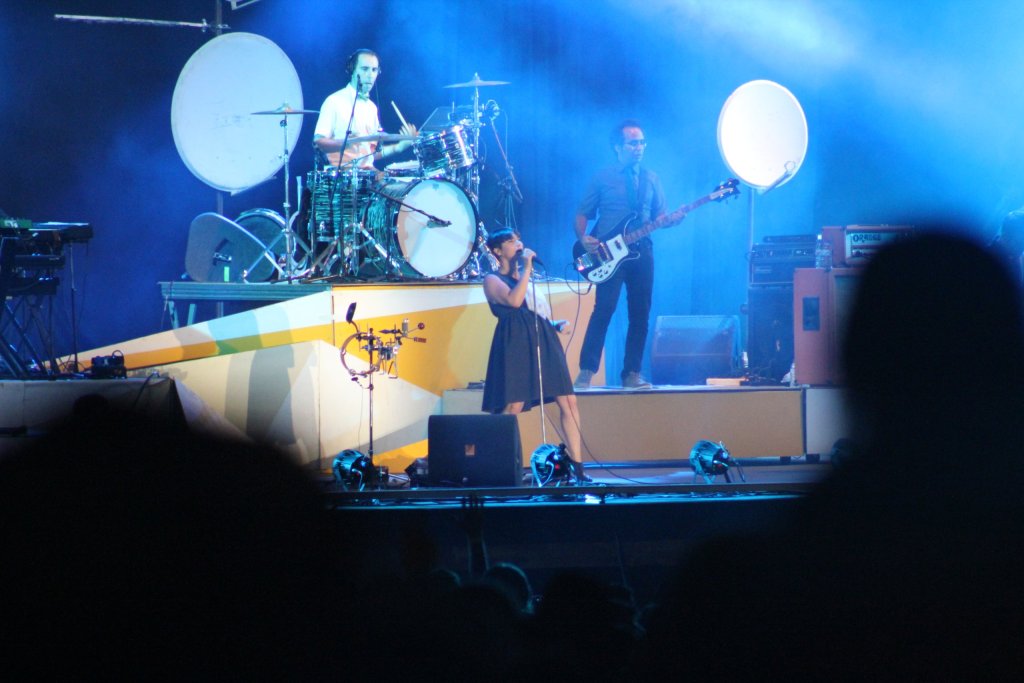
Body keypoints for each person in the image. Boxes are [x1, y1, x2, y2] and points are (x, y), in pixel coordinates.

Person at [480, 229, 586, 481]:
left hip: (543, 339)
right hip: (515, 343)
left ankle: (578, 468)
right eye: (511, 241)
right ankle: (495, 465)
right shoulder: (492, 280)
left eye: (519, 240)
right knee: (513, 405)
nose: (518, 244)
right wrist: (526, 269)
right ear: (497, 251)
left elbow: (533, 313)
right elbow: (514, 302)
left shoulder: (527, 279)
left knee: (568, 401)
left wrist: (554, 324)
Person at [573, 119, 666, 390]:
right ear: (618, 147)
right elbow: (582, 213)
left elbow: (660, 214)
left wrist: (672, 219)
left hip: (642, 252)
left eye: (642, 143)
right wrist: (583, 238)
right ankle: (586, 371)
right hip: (608, 254)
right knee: (604, 309)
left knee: (640, 314)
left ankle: (632, 374)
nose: (639, 147)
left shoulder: (651, 178)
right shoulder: (602, 177)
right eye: (633, 143)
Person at [312, 49, 417, 169]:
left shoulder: (371, 108)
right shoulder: (334, 101)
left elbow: (370, 154)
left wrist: (398, 147)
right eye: (365, 69)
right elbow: (319, 142)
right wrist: (347, 144)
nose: (370, 75)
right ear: (352, 70)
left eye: (374, 70)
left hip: (367, 174)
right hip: (342, 175)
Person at [990, 207, 1024, 285]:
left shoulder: (1017, 257)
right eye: (1021, 241)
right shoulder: (988, 260)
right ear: (1006, 236)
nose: (1022, 247)